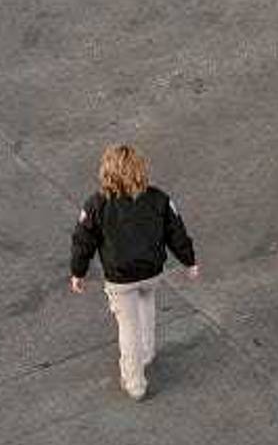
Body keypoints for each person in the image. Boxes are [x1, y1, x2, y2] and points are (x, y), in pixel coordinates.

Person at [70, 145, 199, 401]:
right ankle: (147, 351)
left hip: (120, 278)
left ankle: (135, 381)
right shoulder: (159, 199)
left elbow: (82, 242)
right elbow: (177, 233)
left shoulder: (96, 204)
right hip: (151, 271)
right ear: (141, 169)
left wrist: (78, 272)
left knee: (127, 327)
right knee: (146, 305)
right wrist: (189, 261)